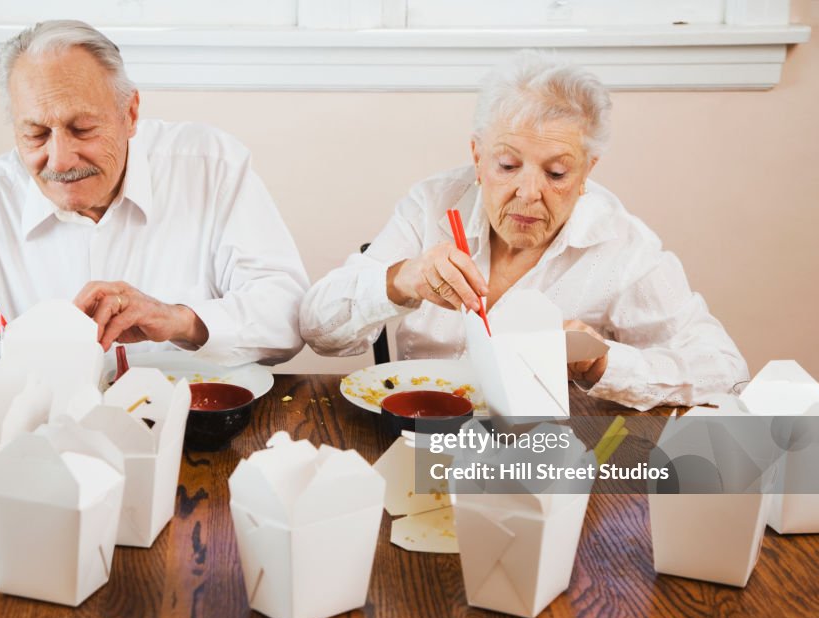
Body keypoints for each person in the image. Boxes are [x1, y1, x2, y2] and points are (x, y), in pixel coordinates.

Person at [300, 51, 747, 410]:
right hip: (422, 432)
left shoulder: (622, 245)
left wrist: (605, 365)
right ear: (477, 157)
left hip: (545, 456)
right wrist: (400, 279)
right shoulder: (431, 205)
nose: (529, 193)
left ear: (587, 171)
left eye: (557, 173)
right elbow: (317, 327)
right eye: (508, 165)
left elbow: (725, 370)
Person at [0, 20, 309, 367]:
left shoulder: (211, 167)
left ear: (130, 114)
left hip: (200, 424)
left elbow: (287, 316)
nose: (60, 160)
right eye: (35, 134)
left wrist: (179, 320)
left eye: (82, 129)